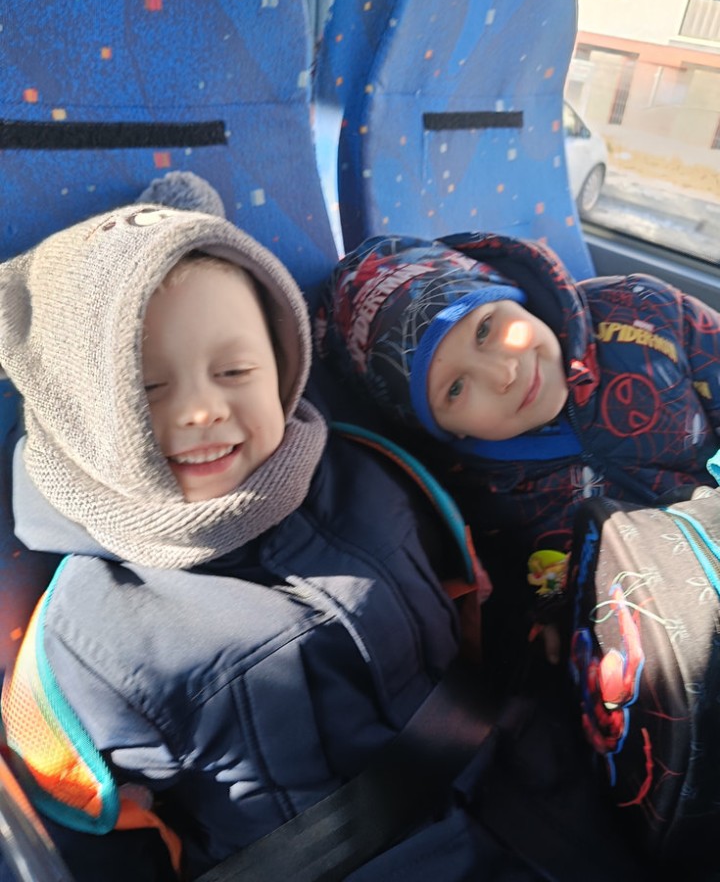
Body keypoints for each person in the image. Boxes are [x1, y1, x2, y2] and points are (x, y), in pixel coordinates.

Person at [0, 179, 464, 881]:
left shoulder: (370, 473)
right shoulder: (87, 638)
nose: (201, 410)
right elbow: (95, 844)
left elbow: (466, 611)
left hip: (511, 795)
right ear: (81, 418)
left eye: (236, 370)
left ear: (282, 364)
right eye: (146, 389)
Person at [315, 231, 720, 638]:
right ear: (445, 431)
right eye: (455, 388)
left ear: (512, 295)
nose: (503, 373)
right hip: (667, 608)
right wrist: (554, 614)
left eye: (484, 329)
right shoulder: (479, 496)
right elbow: (529, 582)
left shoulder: (641, 313)